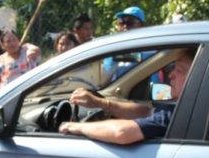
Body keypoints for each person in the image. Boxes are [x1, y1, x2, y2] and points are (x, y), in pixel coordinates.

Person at [59, 48, 196, 144]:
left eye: (179, 70)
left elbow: (123, 133)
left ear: (197, 76)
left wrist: (75, 127)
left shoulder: (183, 113)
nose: (170, 75)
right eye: (173, 68)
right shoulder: (184, 106)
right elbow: (147, 112)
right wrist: (100, 103)